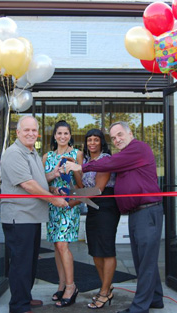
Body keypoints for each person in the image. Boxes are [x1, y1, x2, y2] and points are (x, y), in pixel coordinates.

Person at [65, 121, 165, 313]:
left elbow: (109, 163)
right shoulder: (126, 154)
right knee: (143, 260)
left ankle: (139, 307)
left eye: (120, 135)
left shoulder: (138, 148)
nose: (117, 139)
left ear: (130, 134)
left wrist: (80, 167)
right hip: (136, 212)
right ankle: (155, 298)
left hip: (147, 211)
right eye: (114, 137)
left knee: (145, 261)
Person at [0, 116, 68, 313]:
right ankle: (19, 306)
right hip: (19, 218)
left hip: (31, 217)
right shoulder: (14, 153)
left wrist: (52, 177)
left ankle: (25, 297)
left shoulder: (31, 152)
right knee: (21, 264)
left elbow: (36, 180)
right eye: (26, 130)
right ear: (18, 133)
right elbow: (28, 185)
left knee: (29, 262)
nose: (30, 133)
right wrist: (53, 199)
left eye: (34, 130)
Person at [42, 120, 83, 307]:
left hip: (68, 205)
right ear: (54, 135)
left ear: (70, 135)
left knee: (62, 245)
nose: (62, 137)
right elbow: (41, 184)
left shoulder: (77, 154)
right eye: (59, 133)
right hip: (52, 205)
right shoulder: (47, 157)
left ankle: (71, 286)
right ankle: (61, 284)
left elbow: (82, 185)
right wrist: (53, 185)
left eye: (66, 133)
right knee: (57, 247)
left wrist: (74, 168)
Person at [81, 129, 120, 309]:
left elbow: (98, 189)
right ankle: (107, 286)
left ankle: (104, 292)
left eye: (96, 140)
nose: (92, 143)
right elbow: (82, 186)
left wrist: (71, 199)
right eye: (89, 140)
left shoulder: (105, 159)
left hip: (106, 206)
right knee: (95, 252)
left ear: (102, 142)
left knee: (106, 249)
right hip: (92, 207)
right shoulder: (86, 162)